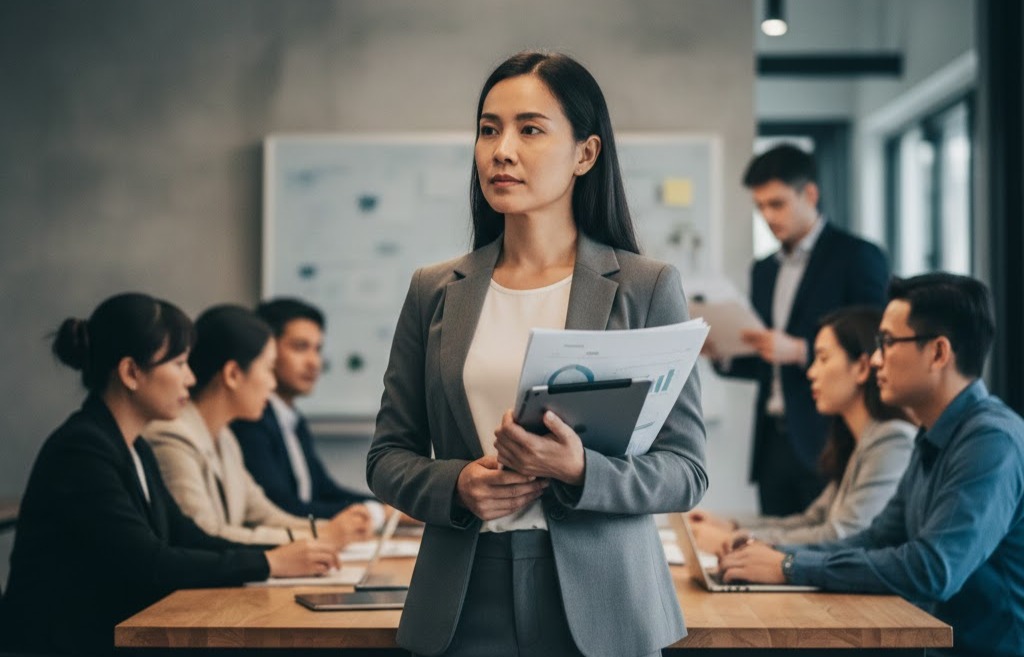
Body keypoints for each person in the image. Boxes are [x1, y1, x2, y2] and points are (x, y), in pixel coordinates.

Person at [366, 51, 707, 657]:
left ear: (586, 153)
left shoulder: (645, 286)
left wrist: (579, 471)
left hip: (604, 603)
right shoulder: (433, 290)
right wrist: (456, 485)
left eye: (530, 129)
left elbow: (686, 469)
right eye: (489, 129)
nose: (502, 150)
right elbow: (388, 456)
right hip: (462, 597)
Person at [0, 293, 339, 656]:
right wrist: (270, 562)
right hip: (67, 644)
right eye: (178, 364)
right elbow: (151, 563)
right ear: (131, 372)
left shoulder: (135, 446)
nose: (190, 378)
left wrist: (280, 555)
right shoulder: (83, 449)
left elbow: (186, 535)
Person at [718, 273, 1024, 657]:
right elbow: (877, 538)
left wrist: (789, 566)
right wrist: (772, 553)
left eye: (888, 342)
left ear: (939, 353)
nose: (876, 357)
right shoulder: (933, 434)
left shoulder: (991, 441)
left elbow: (931, 569)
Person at [710, 144, 890, 516]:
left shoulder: (857, 256)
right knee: (772, 549)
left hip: (832, 435)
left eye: (777, 204)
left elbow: (876, 342)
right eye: (760, 207)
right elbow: (765, 355)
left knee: (825, 548)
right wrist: (724, 354)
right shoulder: (764, 270)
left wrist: (801, 350)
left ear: (809, 194)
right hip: (772, 441)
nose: (768, 216)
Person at [690, 306, 915, 553]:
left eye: (823, 358)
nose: (811, 372)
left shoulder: (893, 441)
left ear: (862, 368)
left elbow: (843, 534)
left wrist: (735, 542)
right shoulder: (857, 441)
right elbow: (812, 520)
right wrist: (731, 526)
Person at [144, 305, 372, 546]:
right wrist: (318, 536)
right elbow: (204, 534)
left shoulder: (224, 438)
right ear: (233, 374)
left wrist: (331, 531)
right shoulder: (171, 436)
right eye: (267, 370)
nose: (272, 385)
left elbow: (265, 514)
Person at [232, 298, 381, 524]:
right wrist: (377, 514)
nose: (314, 362)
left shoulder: (293, 419)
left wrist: (386, 508)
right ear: (267, 350)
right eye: (300, 347)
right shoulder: (251, 419)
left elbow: (323, 490)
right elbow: (282, 506)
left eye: (318, 349)